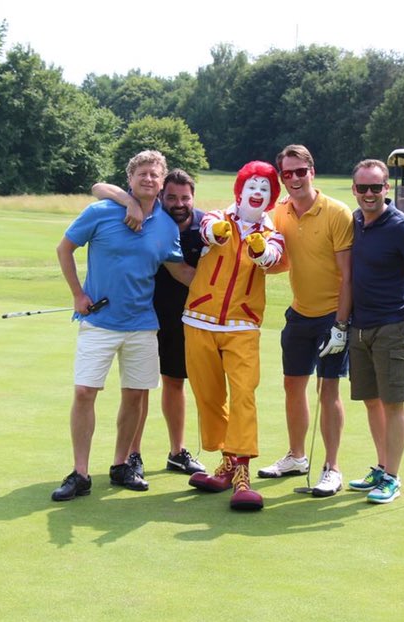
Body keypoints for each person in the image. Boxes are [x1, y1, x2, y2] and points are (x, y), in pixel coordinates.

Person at [51, 150, 194, 502]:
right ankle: (81, 473)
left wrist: (229, 279)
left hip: (142, 325)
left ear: (161, 184)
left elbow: (180, 270)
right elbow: (64, 249)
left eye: (154, 175)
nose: (148, 179)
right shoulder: (100, 212)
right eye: (142, 173)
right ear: (130, 179)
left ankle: (120, 464)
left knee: (135, 395)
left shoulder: (165, 225)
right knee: (85, 392)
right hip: (99, 321)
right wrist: (77, 294)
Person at [182, 161, 285, 511]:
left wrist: (260, 250)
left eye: (266, 189)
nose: (257, 193)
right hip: (199, 319)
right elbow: (208, 232)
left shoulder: (273, 233)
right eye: (253, 186)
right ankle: (227, 462)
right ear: (240, 189)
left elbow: (271, 258)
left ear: (272, 198)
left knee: (243, 394)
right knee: (208, 395)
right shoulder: (215, 217)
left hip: (243, 325)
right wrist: (219, 233)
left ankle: (241, 472)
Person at [90, 170, 207, 476]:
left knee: (174, 382)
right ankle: (133, 455)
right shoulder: (145, 214)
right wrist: (127, 199)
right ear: (160, 196)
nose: (179, 203)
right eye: (171, 197)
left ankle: (177, 452)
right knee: (138, 388)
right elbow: (98, 186)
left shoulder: (207, 227)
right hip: (141, 315)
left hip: (181, 318)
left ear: (193, 197)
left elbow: (190, 272)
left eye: (185, 197)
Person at [256, 144, 354, 498]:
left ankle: (332, 467)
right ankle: (297, 457)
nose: (294, 179)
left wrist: (341, 327)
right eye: (287, 174)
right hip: (300, 312)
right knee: (292, 385)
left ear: (312, 171)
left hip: (333, 315)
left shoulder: (337, 213)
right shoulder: (280, 212)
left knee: (328, 389)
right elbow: (283, 260)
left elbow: (348, 275)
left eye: (301, 171)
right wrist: (264, 259)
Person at [345, 159, 404, 504]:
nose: (369, 194)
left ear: (387, 189)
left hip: (394, 326)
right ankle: (382, 467)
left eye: (376, 187)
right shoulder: (355, 221)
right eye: (362, 188)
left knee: (393, 403)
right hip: (360, 326)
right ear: (354, 189)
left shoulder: (402, 227)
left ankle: (393, 478)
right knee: (371, 401)